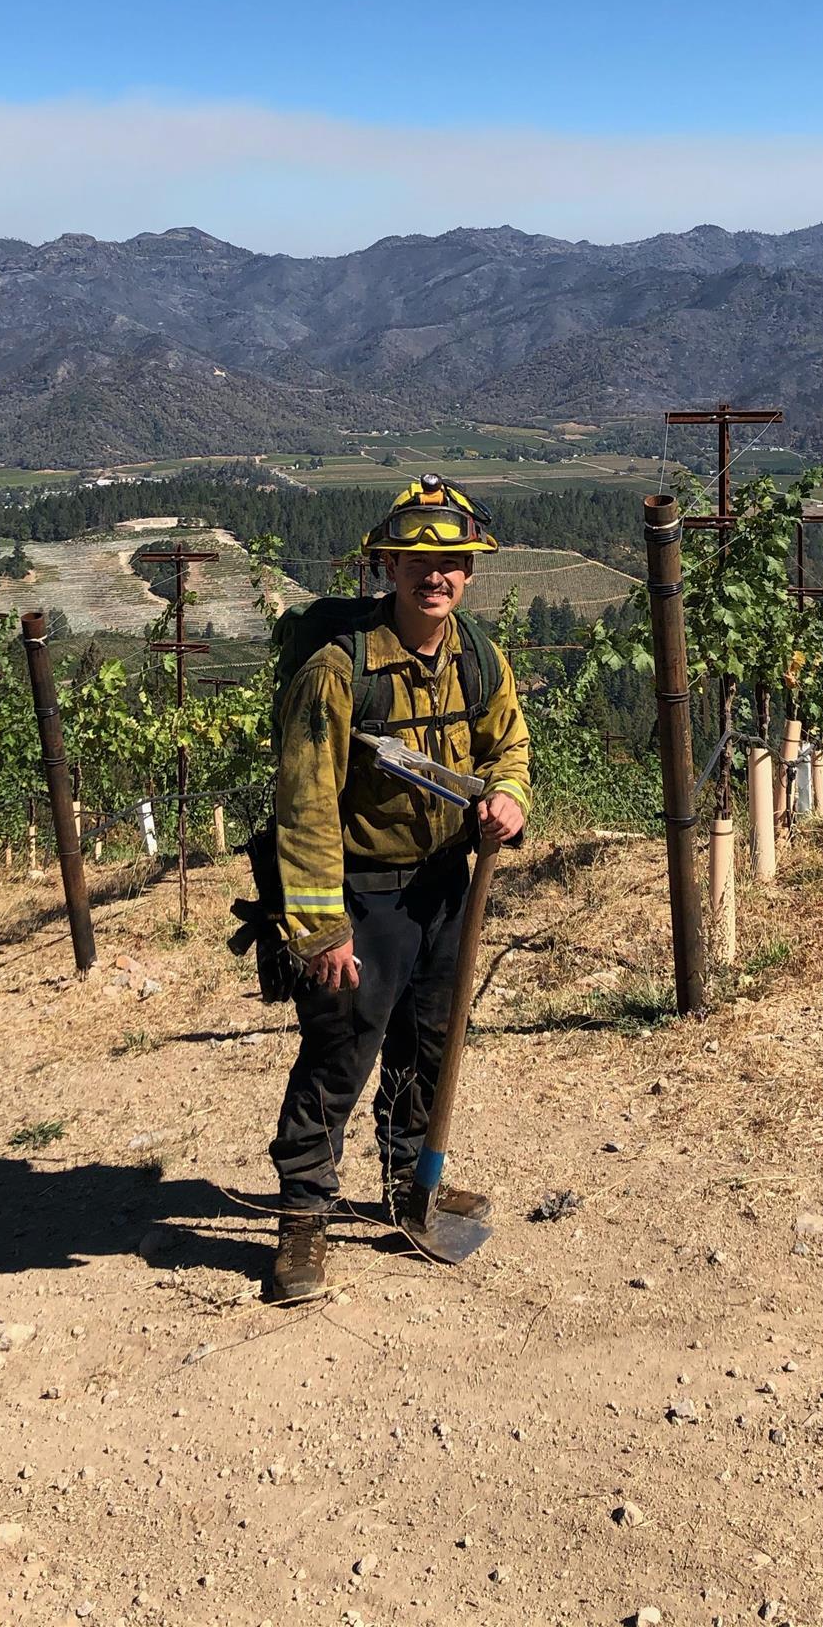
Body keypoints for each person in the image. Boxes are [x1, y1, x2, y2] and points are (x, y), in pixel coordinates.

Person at [265, 477, 530, 1304]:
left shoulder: (479, 659)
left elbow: (508, 746)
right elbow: (304, 804)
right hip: (361, 895)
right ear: (385, 565)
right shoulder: (336, 672)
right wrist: (321, 929)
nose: (436, 576)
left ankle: (409, 1186)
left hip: (448, 884)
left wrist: (510, 797)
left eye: (451, 562)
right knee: (342, 1052)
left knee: (429, 1043)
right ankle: (303, 1218)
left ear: (470, 573)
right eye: (417, 561)